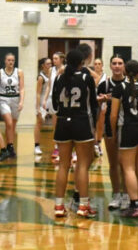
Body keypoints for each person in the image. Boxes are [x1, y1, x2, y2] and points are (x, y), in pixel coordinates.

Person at [50, 49, 99, 218]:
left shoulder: (58, 78)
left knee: (63, 165)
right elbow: (93, 103)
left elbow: (55, 105)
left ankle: (58, 206)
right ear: (82, 63)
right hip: (81, 122)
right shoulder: (86, 77)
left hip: (63, 122)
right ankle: (83, 206)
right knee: (83, 165)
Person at [112, 60, 138, 218]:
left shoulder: (120, 88)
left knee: (128, 168)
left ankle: (134, 203)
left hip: (128, 129)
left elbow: (114, 114)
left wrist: (114, 131)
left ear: (124, 71)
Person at [98, 56, 127, 209]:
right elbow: (95, 100)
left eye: (120, 63)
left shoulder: (129, 84)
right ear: (110, 66)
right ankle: (116, 195)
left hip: (126, 126)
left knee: (126, 164)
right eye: (114, 63)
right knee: (113, 163)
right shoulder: (104, 84)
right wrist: (102, 99)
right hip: (110, 126)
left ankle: (127, 195)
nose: (117, 66)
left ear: (124, 66)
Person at [0, 53, 23, 159]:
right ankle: (9, 147)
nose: (11, 62)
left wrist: (21, 102)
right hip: (3, 99)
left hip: (15, 98)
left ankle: (10, 146)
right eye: (9, 60)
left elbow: (22, 88)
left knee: (12, 126)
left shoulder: (19, 72)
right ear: (5, 61)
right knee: (8, 123)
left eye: (12, 60)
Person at [34, 58, 52, 156]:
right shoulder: (41, 77)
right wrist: (38, 108)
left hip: (50, 102)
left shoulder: (52, 74)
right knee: (39, 123)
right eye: (48, 63)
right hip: (41, 102)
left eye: (51, 63)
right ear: (43, 66)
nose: (50, 65)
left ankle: (57, 147)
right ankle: (36, 146)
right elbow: (37, 93)